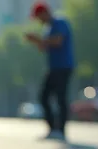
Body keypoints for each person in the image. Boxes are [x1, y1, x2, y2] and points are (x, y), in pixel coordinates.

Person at [25, 1, 75, 141]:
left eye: (39, 17)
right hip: (53, 68)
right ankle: (53, 128)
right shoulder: (48, 29)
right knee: (44, 97)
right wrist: (36, 41)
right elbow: (45, 47)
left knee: (60, 98)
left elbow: (58, 41)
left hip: (63, 67)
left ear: (44, 13)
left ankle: (61, 130)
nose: (39, 21)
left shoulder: (60, 22)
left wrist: (41, 40)